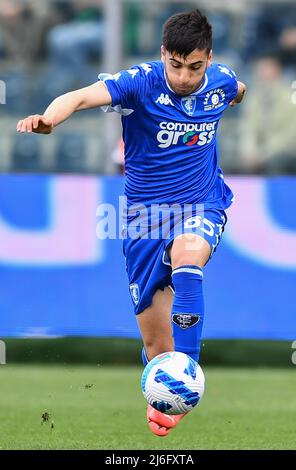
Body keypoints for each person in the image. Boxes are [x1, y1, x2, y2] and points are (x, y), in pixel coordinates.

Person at [17, 9, 246, 437]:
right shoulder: (140, 81)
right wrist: (49, 119)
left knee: (188, 254)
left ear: (209, 60)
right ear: (163, 55)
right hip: (143, 218)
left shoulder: (221, 80)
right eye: (175, 65)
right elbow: (81, 96)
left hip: (201, 203)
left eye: (194, 67)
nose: (183, 76)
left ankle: (188, 374)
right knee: (158, 348)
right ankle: (166, 378)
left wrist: (237, 94)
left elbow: (237, 89)